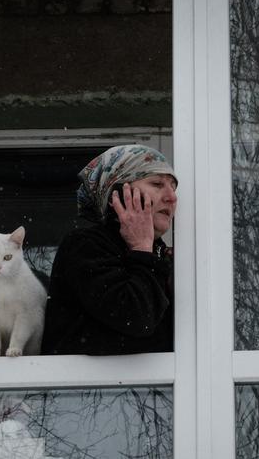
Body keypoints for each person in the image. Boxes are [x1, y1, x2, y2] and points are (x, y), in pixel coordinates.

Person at [41, 144, 177, 355]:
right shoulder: (85, 245)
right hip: (81, 386)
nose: (172, 197)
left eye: (173, 187)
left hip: (158, 388)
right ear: (118, 194)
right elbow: (136, 318)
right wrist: (142, 249)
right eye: (157, 184)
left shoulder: (165, 257)